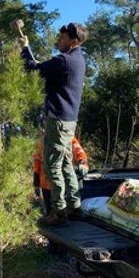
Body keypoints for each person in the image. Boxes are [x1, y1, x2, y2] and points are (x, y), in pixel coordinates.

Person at [19, 22, 88, 226]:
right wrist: (33, 56)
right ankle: (75, 207)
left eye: (63, 38)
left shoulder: (64, 60)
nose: (58, 40)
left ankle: (59, 212)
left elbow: (34, 69)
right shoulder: (77, 60)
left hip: (57, 121)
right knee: (66, 164)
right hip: (68, 121)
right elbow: (44, 67)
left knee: (52, 166)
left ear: (73, 41)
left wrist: (24, 48)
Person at [33, 134, 89, 216]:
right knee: (51, 214)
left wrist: (82, 162)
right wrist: (36, 181)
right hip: (46, 184)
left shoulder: (67, 135)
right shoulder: (42, 140)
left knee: (67, 212)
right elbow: (37, 160)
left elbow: (78, 149)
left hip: (63, 182)